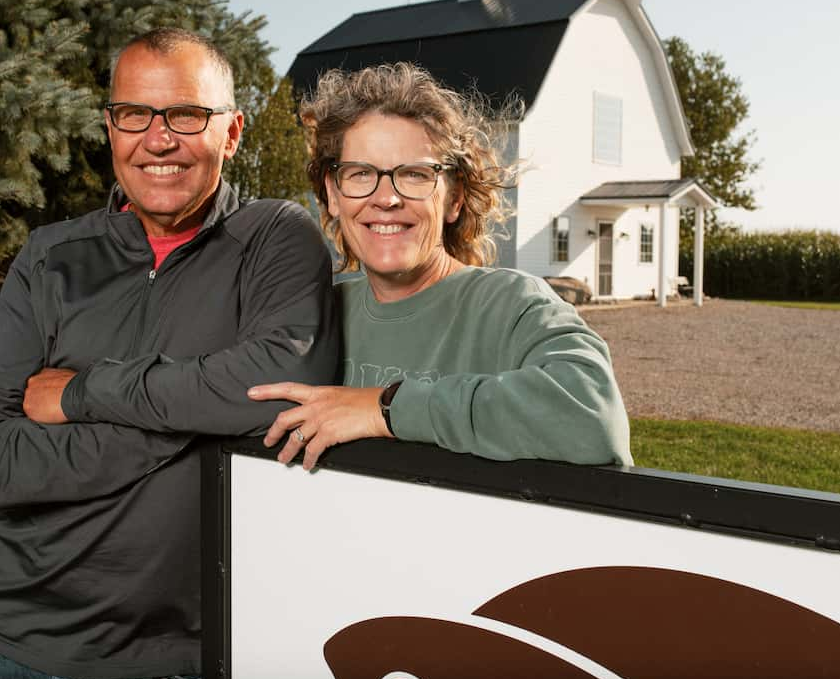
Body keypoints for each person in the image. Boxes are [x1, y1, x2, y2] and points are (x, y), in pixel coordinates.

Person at [0, 27, 338, 679]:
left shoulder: (274, 239)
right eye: (136, 114)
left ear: (232, 131)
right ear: (110, 126)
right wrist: (200, 416)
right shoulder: (50, 258)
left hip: (170, 674)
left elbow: (282, 380)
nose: (159, 140)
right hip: (3, 651)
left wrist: (82, 393)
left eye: (187, 115)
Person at [247, 63, 631, 471]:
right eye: (361, 174)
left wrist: (385, 409)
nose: (386, 199)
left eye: (414, 175)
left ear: (455, 198)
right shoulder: (314, 312)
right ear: (333, 193)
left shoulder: (510, 305)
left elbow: (593, 417)